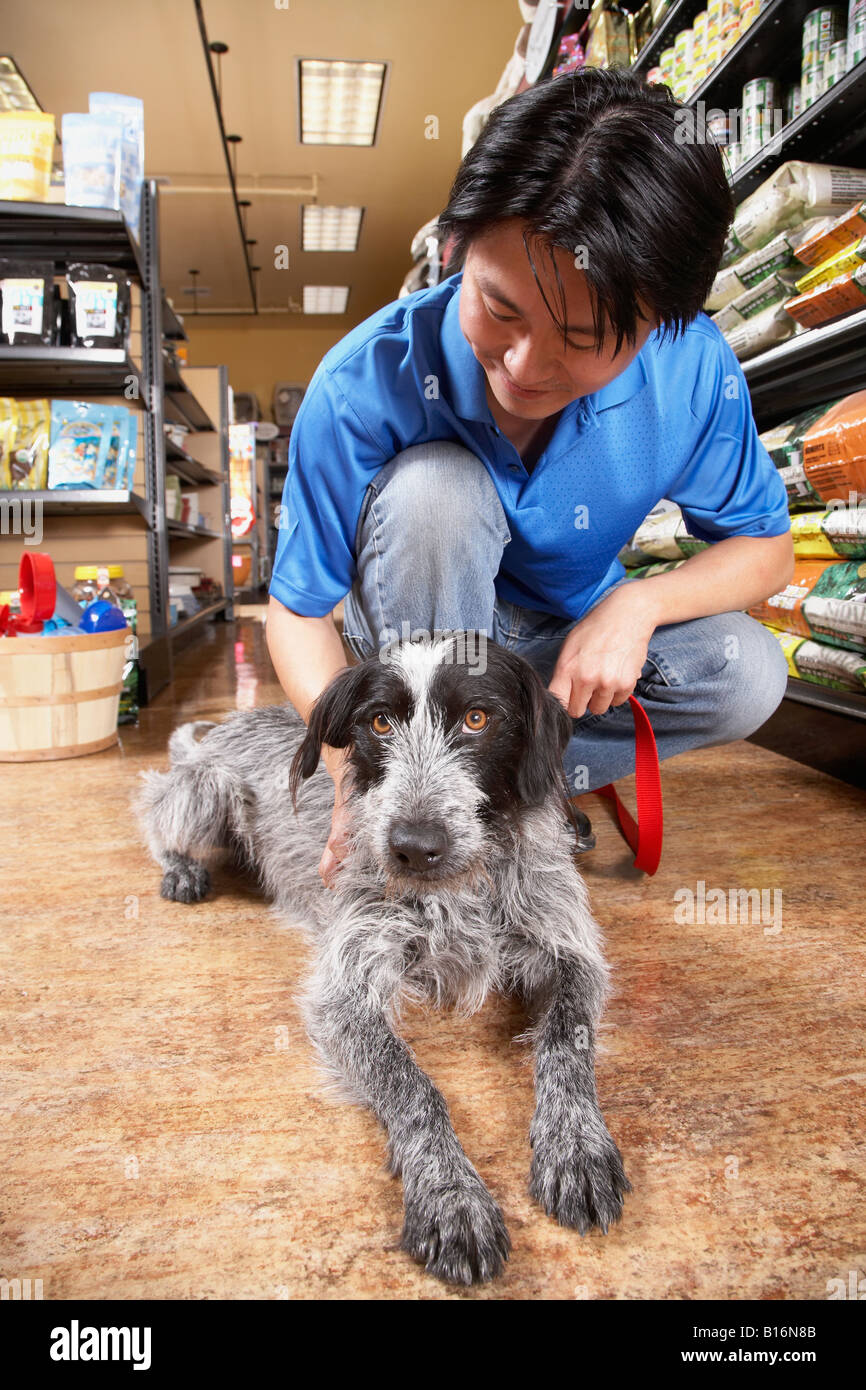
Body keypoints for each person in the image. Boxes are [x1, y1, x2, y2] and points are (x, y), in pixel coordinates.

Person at [266, 67, 794, 886]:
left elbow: (767, 548)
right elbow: (297, 614)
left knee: (748, 670)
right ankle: (422, 792)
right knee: (437, 490)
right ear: (455, 250)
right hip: (416, 647)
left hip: (558, 652)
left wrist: (639, 603)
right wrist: (350, 775)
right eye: (500, 308)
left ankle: (514, 786)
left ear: (663, 322)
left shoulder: (692, 371)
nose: (523, 366)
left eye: (582, 338)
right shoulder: (363, 381)